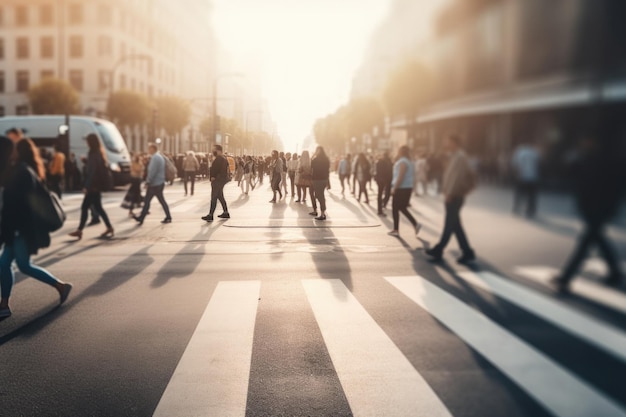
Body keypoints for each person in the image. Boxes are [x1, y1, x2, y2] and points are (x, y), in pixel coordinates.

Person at [0, 139, 73, 318]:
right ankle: (4, 304)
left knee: (23, 266)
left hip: (20, 229)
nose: (13, 152)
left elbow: (24, 204)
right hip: (16, 228)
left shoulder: (23, 172)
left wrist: (16, 228)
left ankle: (60, 286)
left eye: (16, 149)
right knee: (4, 263)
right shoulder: (20, 170)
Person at [551, 137, 625, 292]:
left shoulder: (604, 160)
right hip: (594, 207)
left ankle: (566, 276)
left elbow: (612, 185)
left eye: (587, 141)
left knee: (587, 240)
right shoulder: (591, 158)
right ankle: (615, 272)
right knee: (596, 238)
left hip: (599, 207)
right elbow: (575, 175)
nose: (584, 143)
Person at [426, 135, 476, 263]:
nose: (444, 143)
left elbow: (456, 177)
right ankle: (467, 251)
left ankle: (439, 249)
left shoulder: (459, 156)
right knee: (455, 224)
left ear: (453, 142)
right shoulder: (454, 156)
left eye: (446, 141)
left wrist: (450, 193)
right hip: (453, 194)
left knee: (449, 224)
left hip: (454, 195)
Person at [69, 134, 115, 239]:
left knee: (85, 207)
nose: (86, 143)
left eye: (87, 141)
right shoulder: (98, 152)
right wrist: (86, 161)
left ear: (90, 142)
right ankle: (109, 227)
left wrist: (86, 186)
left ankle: (79, 230)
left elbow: (92, 172)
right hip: (97, 185)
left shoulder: (92, 153)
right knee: (98, 207)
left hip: (93, 186)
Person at [133, 143, 172, 225]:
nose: (148, 150)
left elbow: (152, 171)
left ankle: (141, 218)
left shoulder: (155, 158)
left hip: (155, 184)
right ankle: (168, 216)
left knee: (147, 201)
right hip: (159, 182)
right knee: (160, 201)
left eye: (149, 149)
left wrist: (148, 181)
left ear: (153, 149)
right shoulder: (159, 157)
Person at [388, 146, 422, 237]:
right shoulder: (410, 162)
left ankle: (396, 229)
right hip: (407, 187)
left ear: (400, 152)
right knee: (402, 207)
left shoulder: (402, 162)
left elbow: (400, 175)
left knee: (395, 207)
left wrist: (394, 187)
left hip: (401, 188)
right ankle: (415, 224)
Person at [511, 139, 541, 218]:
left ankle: (517, 207)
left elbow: (515, 164)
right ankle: (530, 210)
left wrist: (516, 174)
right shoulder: (535, 152)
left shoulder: (519, 151)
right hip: (533, 176)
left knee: (519, 193)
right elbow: (539, 164)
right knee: (531, 195)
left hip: (522, 176)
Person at [202, 145, 230, 222]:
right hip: (221, 180)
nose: (213, 151)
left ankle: (210, 215)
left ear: (219, 151)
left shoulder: (219, 159)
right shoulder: (223, 158)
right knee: (220, 196)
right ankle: (226, 212)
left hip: (217, 180)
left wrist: (213, 177)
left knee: (214, 197)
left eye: (214, 150)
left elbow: (215, 169)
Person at [311, 146, 330, 220]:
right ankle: (323, 211)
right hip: (323, 179)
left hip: (317, 179)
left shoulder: (315, 159)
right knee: (319, 195)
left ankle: (323, 213)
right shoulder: (326, 159)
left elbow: (311, 166)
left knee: (319, 195)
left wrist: (313, 155)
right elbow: (327, 170)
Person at [375, 151, 393, 216]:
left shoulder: (379, 162)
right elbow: (389, 172)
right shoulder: (388, 162)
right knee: (386, 193)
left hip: (380, 180)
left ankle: (380, 208)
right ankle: (382, 206)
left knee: (380, 194)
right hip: (386, 180)